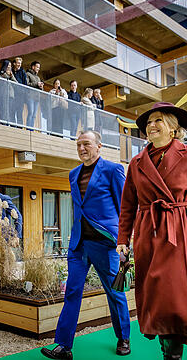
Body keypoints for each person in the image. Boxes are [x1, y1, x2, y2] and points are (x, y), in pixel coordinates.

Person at [117, 102, 187, 360]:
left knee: (175, 293)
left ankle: (173, 353)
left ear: (173, 128)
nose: (151, 125)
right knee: (154, 292)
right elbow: (128, 204)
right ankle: (166, 346)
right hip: (148, 230)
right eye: (148, 123)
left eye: (158, 120)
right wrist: (123, 238)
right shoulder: (136, 162)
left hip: (180, 229)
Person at [41, 131, 132, 359]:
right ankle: (63, 346)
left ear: (99, 146)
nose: (82, 148)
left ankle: (123, 338)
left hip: (106, 244)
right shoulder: (73, 174)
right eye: (78, 144)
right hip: (79, 244)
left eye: (86, 144)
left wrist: (125, 241)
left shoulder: (113, 170)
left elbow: (125, 208)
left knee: (116, 292)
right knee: (72, 291)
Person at [24, 61, 43, 128]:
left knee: (34, 115)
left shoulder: (38, 78)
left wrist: (41, 87)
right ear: (33, 67)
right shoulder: (27, 74)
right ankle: (28, 128)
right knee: (31, 113)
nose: (38, 69)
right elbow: (27, 84)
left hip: (36, 98)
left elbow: (40, 89)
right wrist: (36, 84)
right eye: (37, 67)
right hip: (30, 96)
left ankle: (31, 129)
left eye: (39, 67)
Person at [12, 57, 27, 124]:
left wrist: (23, 93)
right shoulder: (11, 71)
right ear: (14, 63)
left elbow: (25, 83)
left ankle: (20, 127)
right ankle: (12, 126)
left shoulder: (22, 71)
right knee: (12, 111)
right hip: (13, 94)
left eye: (20, 63)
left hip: (20, 95)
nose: (19, 65)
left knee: (19, 112)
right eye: (18, 63)